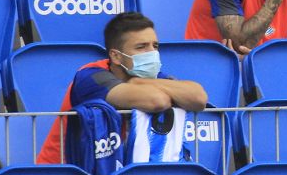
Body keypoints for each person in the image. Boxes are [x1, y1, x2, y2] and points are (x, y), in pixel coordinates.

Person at [37, 12, 208, 164]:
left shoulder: (148, 78)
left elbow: (198, 98)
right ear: (116, 56)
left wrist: (137, 82)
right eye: (141, 47)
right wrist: (140, 85)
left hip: (113, 173)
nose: (152, 53)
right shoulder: (90, 77)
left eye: (154, 46)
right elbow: (157, 100)